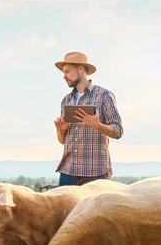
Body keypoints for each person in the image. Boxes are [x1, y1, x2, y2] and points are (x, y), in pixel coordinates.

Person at [53, 51, 123, 186]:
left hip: (95, 173)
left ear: (80, 69)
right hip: (68, 171)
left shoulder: (104, 96)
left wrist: (97, 125)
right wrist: (61, 130)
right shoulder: (66, 100)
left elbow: (118, 130)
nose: (64, 76)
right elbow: (62, 141)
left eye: (67, 71)